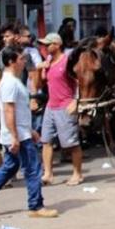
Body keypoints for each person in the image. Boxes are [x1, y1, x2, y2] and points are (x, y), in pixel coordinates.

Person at [0, 47, 58, 218]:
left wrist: (30, 130)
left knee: (9, 168)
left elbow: (19, 112)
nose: (24, 61)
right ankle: (36, 206)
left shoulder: (13, 81)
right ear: (11, 61)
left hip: (20, 132)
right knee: (33, 169)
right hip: (18, 135)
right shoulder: (10, 83)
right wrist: (15, 136)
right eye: (21, 58)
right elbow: (8, 111)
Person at [37, 33, 84, 186]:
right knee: (46, 140)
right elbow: (40, 84)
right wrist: (40, 70)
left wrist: (76, 101)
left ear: (57, 44)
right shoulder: (48, 61)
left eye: (48, 44)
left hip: (65, 105)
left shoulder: (67, 61)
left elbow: (81, 82)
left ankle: (77, 174)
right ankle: (48, 174)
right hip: (51, 105)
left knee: (71, 143)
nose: (45, 47)